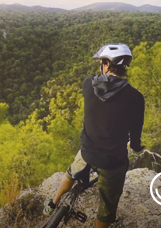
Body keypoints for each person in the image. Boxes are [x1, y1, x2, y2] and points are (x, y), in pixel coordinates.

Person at [43, 43, 145, 228]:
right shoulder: (135, 97)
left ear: (106, 64)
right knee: (106, 208)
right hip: (112, 161)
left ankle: (52, 204)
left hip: (87, 151)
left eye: (101, 62)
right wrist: (136, 146)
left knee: (71, 173)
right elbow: (135, 135)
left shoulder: (88, 84)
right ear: (124, 67)